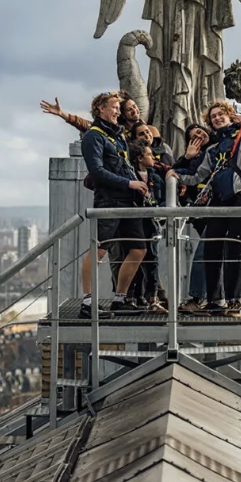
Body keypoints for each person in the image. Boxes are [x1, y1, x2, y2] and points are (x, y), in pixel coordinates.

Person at [176, 101, 241, 317]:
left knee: (235, 248)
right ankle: (215, 299)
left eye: (221, 115)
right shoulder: (212, 149)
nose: (217, 118)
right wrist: (176, 175)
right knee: (212, 248)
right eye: (213, 117)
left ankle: (237, 300)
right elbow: (198, 176)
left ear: (230, 116)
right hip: (219, 199)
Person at [79, 91, 149, 318]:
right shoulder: (94, 136)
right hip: (109, 200)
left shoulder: (117, 136)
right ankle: (88, 303)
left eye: (119, 108)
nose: (118, 111)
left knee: (139, 249)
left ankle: (120, 299)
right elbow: (97, 172)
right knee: (98, 248)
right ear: (100, 108)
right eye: (114, 107)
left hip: (128, 202)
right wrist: (130, 183)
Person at [173, 123, 212, 312]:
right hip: (199, 212)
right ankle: (206, 298)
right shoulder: (192, 159)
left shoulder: (215, 150)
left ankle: (199, 298)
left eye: (201, 131)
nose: (199, 135)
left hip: (215, 208)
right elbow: (175, 173)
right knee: (209, 253)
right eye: (194, 136)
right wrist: (187, 157)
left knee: (204, 252)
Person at [128, 139, 166, 313]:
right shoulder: (129, 176)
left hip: (152, 223)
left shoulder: (156, 178)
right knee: (135, 259)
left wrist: (161, 212)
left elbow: (163, 198)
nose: (153, 157)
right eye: (149, 154)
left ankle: (153, 298)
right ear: (140, 158)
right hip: (135, 223)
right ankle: (134, 296)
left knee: (152, 260)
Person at [41, 92, 143, 139]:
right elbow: (83, 123)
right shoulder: (113, 130)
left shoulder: (146, 128)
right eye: (129, 109)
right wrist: (62, 113)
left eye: (134, 106)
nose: (134, 111)